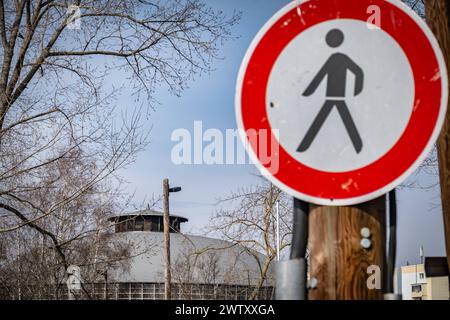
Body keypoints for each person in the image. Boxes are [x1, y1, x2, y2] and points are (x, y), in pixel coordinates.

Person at [298, 29, 364, 154]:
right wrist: (308, 91)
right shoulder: (335, 58)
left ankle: (358, 145)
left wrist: (357, 90)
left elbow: (358, 71)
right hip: (332, 96)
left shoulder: (338, 58)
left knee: (328, 120)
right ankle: (358, 145)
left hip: (337, 96)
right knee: (327, 120)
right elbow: (321, 76)